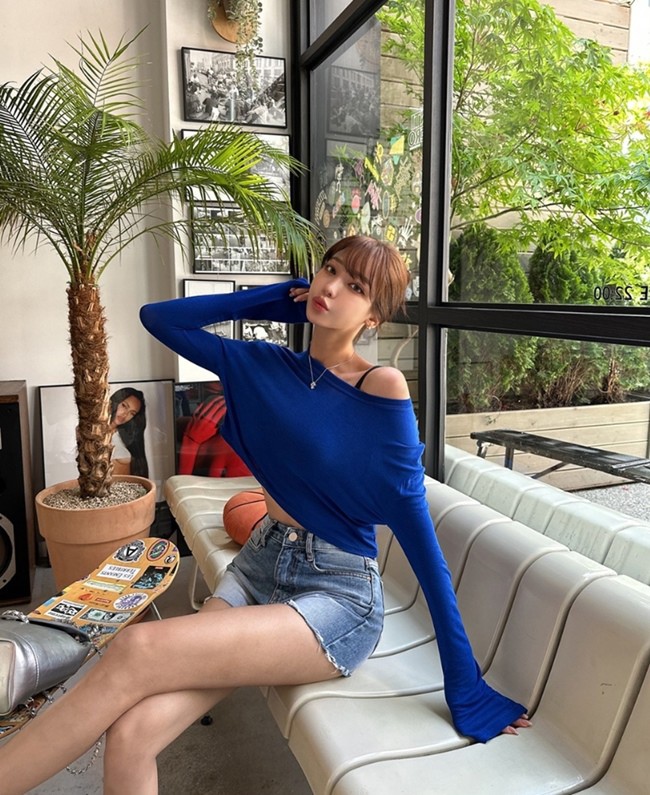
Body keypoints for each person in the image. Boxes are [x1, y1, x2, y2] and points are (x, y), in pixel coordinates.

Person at [0, 235, 529, 794]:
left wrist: (465, 684)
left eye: (355, 286)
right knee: (131, 732)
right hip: (258, 565)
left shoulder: (380, 387)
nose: (331, 287)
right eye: (330, 269)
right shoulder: (262, 364)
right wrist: (269, 301)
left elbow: (418, 532)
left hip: (337, 594)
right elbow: (159, 318)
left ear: (373, 316)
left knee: (134, 647)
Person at [109, 386, 149, 478]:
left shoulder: (126, 437)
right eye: (124, 406)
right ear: (115, 401)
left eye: (132, 413)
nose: (125, 414)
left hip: (126, 486)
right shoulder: (90, 432)